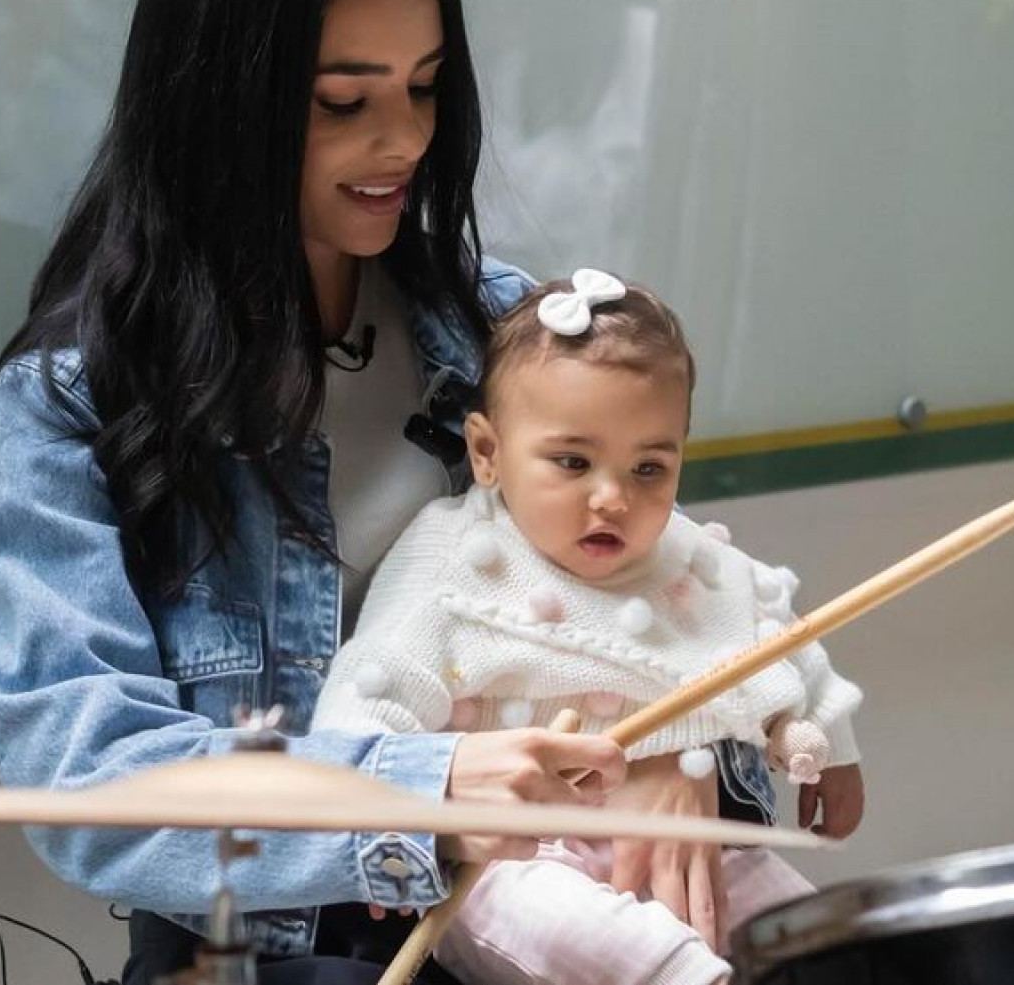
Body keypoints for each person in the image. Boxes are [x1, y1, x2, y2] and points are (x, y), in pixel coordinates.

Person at [0, 0, 772, 985]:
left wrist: (698, 744)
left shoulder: (500, 333)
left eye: (425, 87)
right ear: (219, 104)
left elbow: (672, 594)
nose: (404, 142)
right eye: (346, 102)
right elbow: (91, 785)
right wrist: (424, 795)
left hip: (554, 930)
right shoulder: (72, 408)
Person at [312, 270, 866, 985]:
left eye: (649, 468)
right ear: (486, 451)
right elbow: (365, 703)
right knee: (611, 944)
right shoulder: (452, 563)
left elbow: (774, 630)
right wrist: (383, 828)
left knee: (815, 941)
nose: (612, 497)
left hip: (683, 837)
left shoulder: (685, 555)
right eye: (573, 462)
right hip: (512, 855)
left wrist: (835, 739)